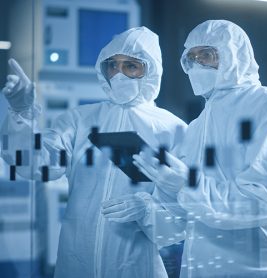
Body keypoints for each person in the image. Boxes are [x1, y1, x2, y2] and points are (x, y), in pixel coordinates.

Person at [106, 20, 267, 277]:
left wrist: (187, 185)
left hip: (259, 270)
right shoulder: (198, 127)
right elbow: (180, 223)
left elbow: (263, 201)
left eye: (206, 55)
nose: (197, 65)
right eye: (191, 58)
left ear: (234, 55)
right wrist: (148, 209)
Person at [0, 26, 187, 278]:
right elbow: (34, 164)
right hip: (76, 262)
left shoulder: (172, 129)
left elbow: (178, 221)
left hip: (135, 267)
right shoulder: (80, 120)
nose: (119, 74)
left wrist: (147, 210)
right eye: (112, 65)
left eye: (131, 66)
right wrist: (20, 114)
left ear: (151, 70)